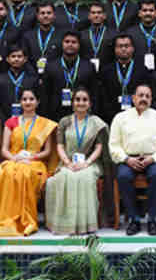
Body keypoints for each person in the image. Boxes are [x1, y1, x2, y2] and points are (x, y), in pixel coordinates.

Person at [0, 88, 58, 236]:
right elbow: (4, 150)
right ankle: (8, 219)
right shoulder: (11, 122)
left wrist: (30, 158)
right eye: (25, 99)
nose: (28, 102)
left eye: (31, 99)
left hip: (35, 162)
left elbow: (47, 151)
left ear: (37, 102)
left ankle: (26, 220)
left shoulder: (45, 124)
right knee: (8, 172)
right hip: (14, 160)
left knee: (25, 173)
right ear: (20, 102)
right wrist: (15, 158)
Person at [109, 84, 156, 236]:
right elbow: (114, 146)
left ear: (151, 99)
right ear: (133, 98)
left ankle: (152, 219)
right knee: (123, 176)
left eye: (147, 96)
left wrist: (153, 158)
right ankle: (134, 219)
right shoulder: (120, 118)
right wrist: (127, 159)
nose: (143, 99)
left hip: (153, 158)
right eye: (140, 95)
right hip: (129, 159)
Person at [45, 87, 106, 235]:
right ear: (72, 103)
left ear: (90, 103)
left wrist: (86, 163)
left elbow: (99, 147)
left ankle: (84, 224)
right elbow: (59, 146)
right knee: (66, 176)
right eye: (77, 99)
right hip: (68, 162)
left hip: (90, 163)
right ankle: (66, 224)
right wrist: (68, 163)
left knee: (84, 176)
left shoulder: (95, 122)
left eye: (84, 100)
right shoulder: (65, 121)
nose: (81, 103)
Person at [40, 31, 97, 121]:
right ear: (62, 44)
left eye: (74, 42)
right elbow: (45, 94)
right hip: (55, 114)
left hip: (82, 113)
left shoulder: (89, 66)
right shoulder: (51, 66)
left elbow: (94, 93)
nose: (70, 44)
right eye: (67, 42)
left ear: (79, 45)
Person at [97, 34, 149, 124]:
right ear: (115, 49)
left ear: (132, 48)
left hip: (137, 116)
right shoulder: (106, 71)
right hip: (111, 117)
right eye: (120, 46)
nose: (123, 49)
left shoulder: (142, 70)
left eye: (127, 46)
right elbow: (103, 96)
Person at [0, 45, 39, 123]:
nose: (16, 59)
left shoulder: (33, 80)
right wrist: (5, 120)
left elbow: (37, 101)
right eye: (13, 56)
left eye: (19, 56)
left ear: (25, 59)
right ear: (7, 59)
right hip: (4, 121)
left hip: (28, 120)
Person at [21, 3, 64, 75]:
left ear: (54, 15)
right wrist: (33, 75)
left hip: (56, 75)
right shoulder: (28, 36)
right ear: (37, 16)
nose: (45, 16)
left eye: (49, 13)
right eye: (42, 13)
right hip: (33, 75)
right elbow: (25, 58)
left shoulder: (62, 35)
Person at [128, 0, 156, 70]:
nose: (148, 13)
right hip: (136, 73)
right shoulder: (130, 33)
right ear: (139, 13)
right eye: (144, 10)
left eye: (151, 10)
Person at [80, 2, 117, 72]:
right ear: (89, 16)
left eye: (99, 12)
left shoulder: (114, 35)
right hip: (86, 72)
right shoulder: (81, 35)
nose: (96, 15)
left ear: (104, 16)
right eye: (93, 13)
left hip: (107, 72)